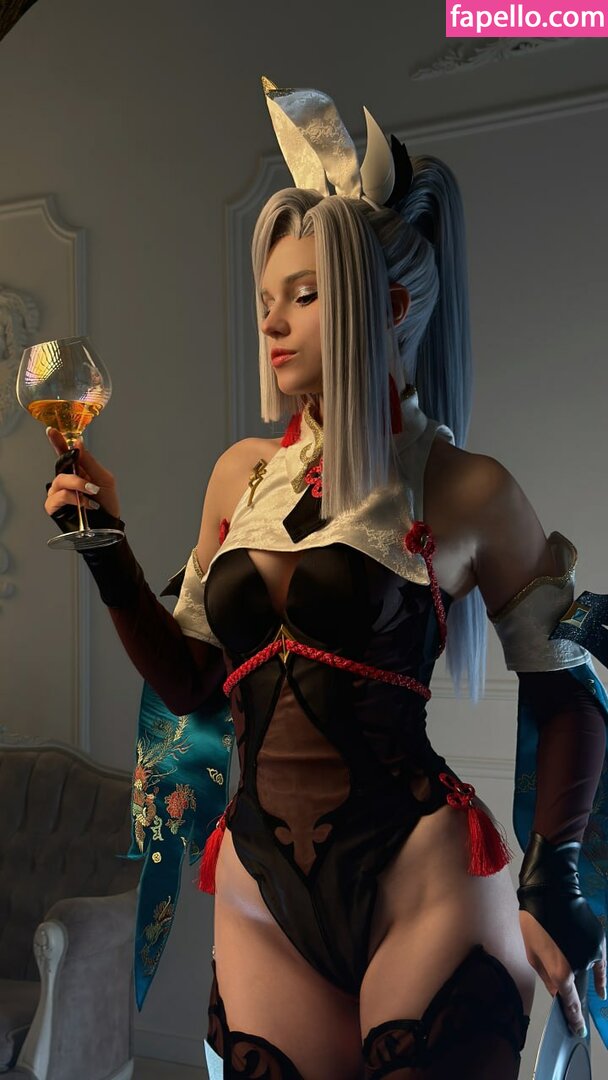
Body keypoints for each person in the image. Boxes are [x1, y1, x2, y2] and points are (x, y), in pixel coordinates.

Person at [43, 80, 608, 1079]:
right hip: (260, 893)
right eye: (267, 299)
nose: (274, 322)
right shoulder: (240, 476)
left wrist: (553, 874)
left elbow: (567, 691)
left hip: (424, 882)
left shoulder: (464, 487)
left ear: (387, 308)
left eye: (304, 296)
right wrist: (106, 549)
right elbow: (192, 685)